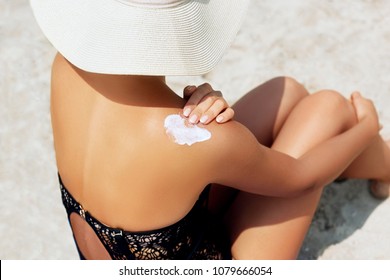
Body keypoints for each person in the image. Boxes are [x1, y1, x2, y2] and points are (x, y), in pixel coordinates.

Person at [30, 0, 390, 260]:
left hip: (137, 244)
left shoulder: (63, 67)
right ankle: (384, 162)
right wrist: (365, 127)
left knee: (287, 91)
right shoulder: (191, 140)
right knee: (329, 108)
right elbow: (303, 178)